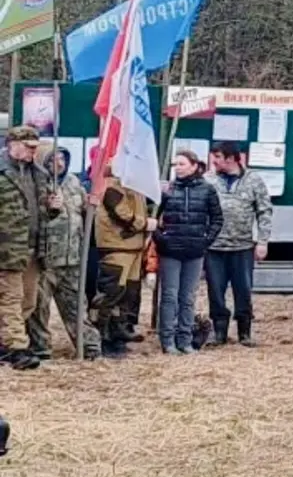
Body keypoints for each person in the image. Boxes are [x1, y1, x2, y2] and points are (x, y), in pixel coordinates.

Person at [26, 146, 98, 361]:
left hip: (72, 258)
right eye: (53, 160)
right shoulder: (35, 184)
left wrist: (92, 205)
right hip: (44, 260)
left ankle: (89, 347)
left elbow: (84, 210)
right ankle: (40, 349)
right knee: (38, 309)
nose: (59, 163)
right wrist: (48, 206)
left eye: (62, 159)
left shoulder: (74, 182)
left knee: (77, 307)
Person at [203, 142, 273, 348]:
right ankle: (219, 332)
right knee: (215, 290)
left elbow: (264, 211)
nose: (214, 161)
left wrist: (262, 241)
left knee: (243, 290)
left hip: (243, 247)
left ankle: (244, 332)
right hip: (214, 247)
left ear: (232, 158)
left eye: (218, 157)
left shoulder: (254, 180)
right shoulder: (207, 180)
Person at [0, 126, 59, 370]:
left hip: (34, 248)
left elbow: (44, 211)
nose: (33, 152)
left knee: (28, 301)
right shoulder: (2, 173)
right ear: (12, 144)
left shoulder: (40, 174)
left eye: (35, 148)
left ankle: (5, 343)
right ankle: (16, 348)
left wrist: (53, 208)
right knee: (10, 299)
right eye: (28, 147)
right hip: (7, 249)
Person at [155, 150, 224, 356]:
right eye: (176, 164)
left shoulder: (207, 190)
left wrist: (205, 241)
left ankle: (184, 339)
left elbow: (217, 219)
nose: (177, 168)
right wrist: (161, 239)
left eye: (182, 164)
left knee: (187, 297)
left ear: (194, 166)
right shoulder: (167, 189)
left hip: (195, 251)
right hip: (170, 250)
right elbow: (153, 217)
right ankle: (167, 340)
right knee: (169, 296)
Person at [93, 166, 156, 360]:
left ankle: (118, 330)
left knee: (128, 293)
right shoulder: (113, 188)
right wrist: (145, 223)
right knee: (111, 293)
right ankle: (101, 336)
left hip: (132, 247)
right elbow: (121, 214)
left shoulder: (134, 188)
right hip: (117, 246)